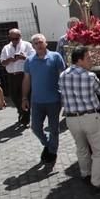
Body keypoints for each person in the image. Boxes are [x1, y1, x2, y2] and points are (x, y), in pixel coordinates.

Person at [59, 46, 100, 192]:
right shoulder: (89, 76)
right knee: (99, 151)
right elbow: (99, 89)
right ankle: (97, 182)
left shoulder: (63, 75)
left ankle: (85, 174)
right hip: (90, 117)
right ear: (80, 60)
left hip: (71, 119)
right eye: (88, 58)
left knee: (81, 148)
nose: (91, 61)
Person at [22, 34, 66, 163]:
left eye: (41, 42)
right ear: (33, 46)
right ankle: (48, 145)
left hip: (53, 100)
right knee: (35, 128)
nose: (39, 45)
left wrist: (64, 95)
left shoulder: (55, 57)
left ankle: (52, 153)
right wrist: (24, 98)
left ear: (46, 43)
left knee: (54, 129)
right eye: (35, 43)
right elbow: (26, 80)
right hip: (36, 101)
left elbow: (63, 75)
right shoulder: (29, 60)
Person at [0, 29, 35, 127]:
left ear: (20, 36)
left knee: (26, 96)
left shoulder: (27, 45)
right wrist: (10, 60)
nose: (14, 40)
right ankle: (21, 112)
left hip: (24, 75)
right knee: (14, 96)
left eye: (16, 38)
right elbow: (2, 62)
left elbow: (33, 58)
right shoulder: (6, 48)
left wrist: (24, 57)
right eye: (12, 38)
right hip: (12, 75)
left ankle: (25, 118)